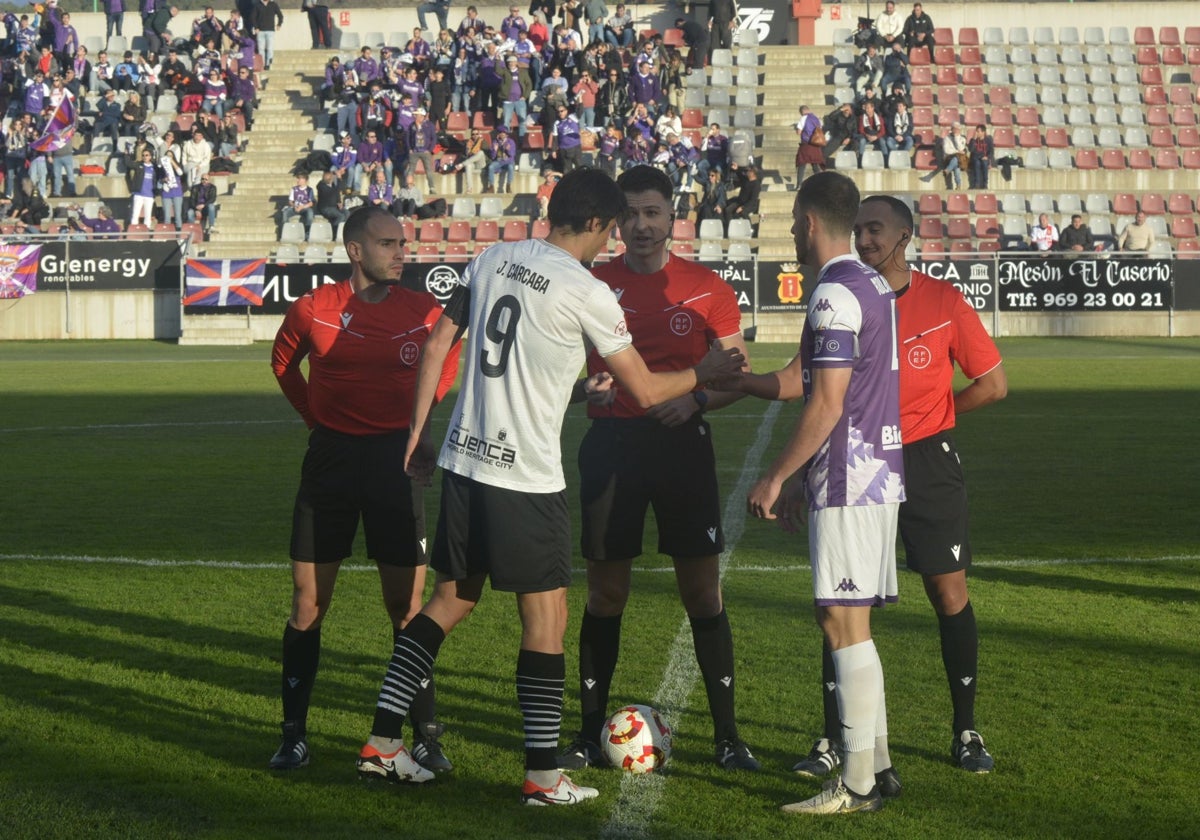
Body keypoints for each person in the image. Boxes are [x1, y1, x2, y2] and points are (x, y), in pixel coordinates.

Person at [354, 168, 744, 805]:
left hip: (464, 458)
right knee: (547, 618)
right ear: (596, 224)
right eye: (612, 226)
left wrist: (418, 434)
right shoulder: (587, 290)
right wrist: (702, 372)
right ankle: (542, 776)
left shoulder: (493, 257)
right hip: (524, 474)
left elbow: (437, 347)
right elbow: (645, 390)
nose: (612, 238)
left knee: (448, 602)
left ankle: (383, 742)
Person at [790, 195, 1004, 787]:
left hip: (925, 460)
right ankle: (837, 741)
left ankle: (965, 729)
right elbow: (804, 377)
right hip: (861, 459)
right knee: (844, 601)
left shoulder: (942, 300)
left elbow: (992, 383)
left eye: (875, 229)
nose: (863, 239)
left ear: (906, 235)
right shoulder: (851, 294)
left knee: (947, 592)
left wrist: (929, 420)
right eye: (857, 229)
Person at [556, 166, 758, 773]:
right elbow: (557, 367)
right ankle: (590, 734)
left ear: (673, 218)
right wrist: (579, 388)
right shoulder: (590, 283)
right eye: (631, 215)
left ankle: (727, 736)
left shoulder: (708, 288)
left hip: (682, 450)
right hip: (611, 446)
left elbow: (737, 372)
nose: (641, 226)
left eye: (652, 213)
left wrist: (695, 399)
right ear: (614, 222)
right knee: (606, 592)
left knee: (702, 591)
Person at [734, 171, 904, 815]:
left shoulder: (834, 292)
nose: (790, 235)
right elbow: (803, 379)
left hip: (850, 478)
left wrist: (779, 475)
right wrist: (737, 384)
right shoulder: (872, 285)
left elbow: (828, 402)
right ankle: (877, 764)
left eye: (790, 224)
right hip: (876, 475)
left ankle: (857, 782)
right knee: (848, 620)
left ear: (807, 222)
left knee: (841, 622)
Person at [268, 205, 460, 775]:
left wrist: (419, 426)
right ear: (355, 250)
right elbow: (283, 365)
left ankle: (424, 734)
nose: (401, 252)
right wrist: (314, 420)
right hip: (329, 462)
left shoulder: (423, 311)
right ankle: (293, 736)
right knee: (308, 605)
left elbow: (446, 362)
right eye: (387, 244)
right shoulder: (312, 310)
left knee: (405, 611)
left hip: (393, 464)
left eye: (402, 243)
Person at [281, 172, 315, 238]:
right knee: (285, 212)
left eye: (299, 179)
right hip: (295, 207)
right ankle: (286, 232)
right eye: (297, 178)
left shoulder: (309, 190)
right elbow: (290, 201)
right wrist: (294, 206)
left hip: (304, 208)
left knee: (310, 213)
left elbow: (311, 203)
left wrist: (302, 207)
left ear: (305, 180)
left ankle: (307, 233)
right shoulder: (294, 189)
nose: (297, 180)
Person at [251, 0, 283, 70]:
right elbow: (253, 17)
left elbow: (280, 15)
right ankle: (262, 64)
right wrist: (256, 27)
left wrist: (279, 24)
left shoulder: (273, 4)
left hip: (270, 30)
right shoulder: (257, 5)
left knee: (269, 48)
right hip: (260, 31)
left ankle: (268, 64)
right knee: (261, 49)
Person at [967, 125, 993, 190]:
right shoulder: (973, 140)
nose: (977, 133)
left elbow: (991, 151)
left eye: (978, 131)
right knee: (977, 163)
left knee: (984, 163)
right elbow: (970, 149)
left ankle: (985, 183)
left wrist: (987, 157)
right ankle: (977, 184)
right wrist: (973, 139)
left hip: (984, 157)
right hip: (975, 158)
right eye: (976, 131)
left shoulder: (988, 140)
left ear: (983, 132)